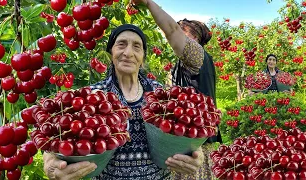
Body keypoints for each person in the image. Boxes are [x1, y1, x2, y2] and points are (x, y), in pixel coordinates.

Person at [43, 24, 204, 180]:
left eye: (136, 46)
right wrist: (51, 164)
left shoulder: (162, 94)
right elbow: (57, 131)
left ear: (143, 57)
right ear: (111, 52)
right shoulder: (93, 96)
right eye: (121, 44)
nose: (128, 52)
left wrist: (196, 154)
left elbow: (189, 128)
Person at [131, 0, 222, 179]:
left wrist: (149, 3)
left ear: (194, 38)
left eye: (183, 32)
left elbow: (172, 31)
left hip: (191, 143)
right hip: (192, 135)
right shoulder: (192, 61)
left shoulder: (196, 55)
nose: (174, 36)